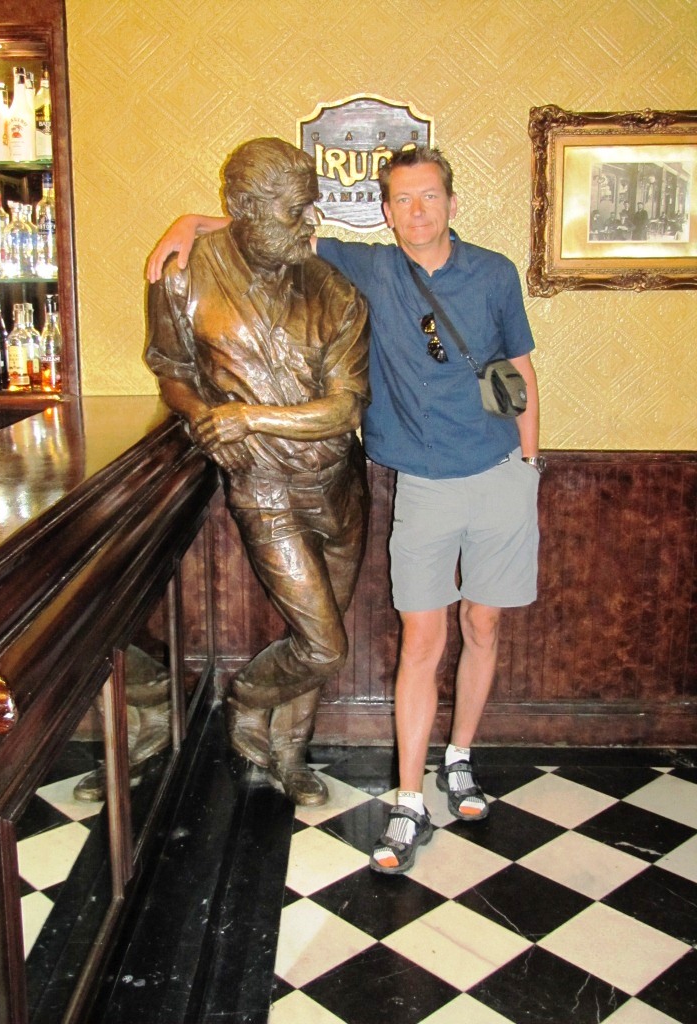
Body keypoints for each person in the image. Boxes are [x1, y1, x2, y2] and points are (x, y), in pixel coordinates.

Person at [147, 144, 542, 873]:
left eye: (429, 197)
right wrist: (189, 224)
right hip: (381, 484)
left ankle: (426, 759)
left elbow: (508, 371)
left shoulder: (473, 275)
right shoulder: (358, 270)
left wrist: (528, 463)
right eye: (402, 200)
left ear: (452, 203)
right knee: (374, 641)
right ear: (386, 212)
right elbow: (184, 344)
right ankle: (382, 783)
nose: (415, 211)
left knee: (479, 624)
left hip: (453, 475)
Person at [144, 137, 370, 807]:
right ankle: (245, 702)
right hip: (265, 488)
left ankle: (289, 752)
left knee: (320, 634)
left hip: (340, 486)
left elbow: (344, 407)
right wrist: (203, 421)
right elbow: (173, 371)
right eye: (296, 212)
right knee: (324, 644)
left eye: (312, 210)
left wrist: (248, 416)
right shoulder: (183, 274)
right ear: (244, 208)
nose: (311, 227)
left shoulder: (333, 290)